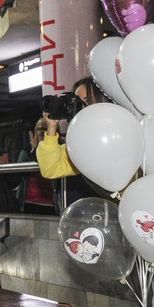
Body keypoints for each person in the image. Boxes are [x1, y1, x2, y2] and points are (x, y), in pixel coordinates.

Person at [36, 76, 110, 214]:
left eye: (86, 101)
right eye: (77, 102)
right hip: (106, 212)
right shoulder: (81, 144)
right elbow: (51, 168)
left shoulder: (121, 128)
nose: (81, 107)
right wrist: (51, 127)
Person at [16, 118, 55, 214]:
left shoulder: (57, 148)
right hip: (31, 199)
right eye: (39, 129)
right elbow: (18, 172)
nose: (42, 131)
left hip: (52, 200)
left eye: (46, 128)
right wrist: (33, 150)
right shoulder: (26, 151)